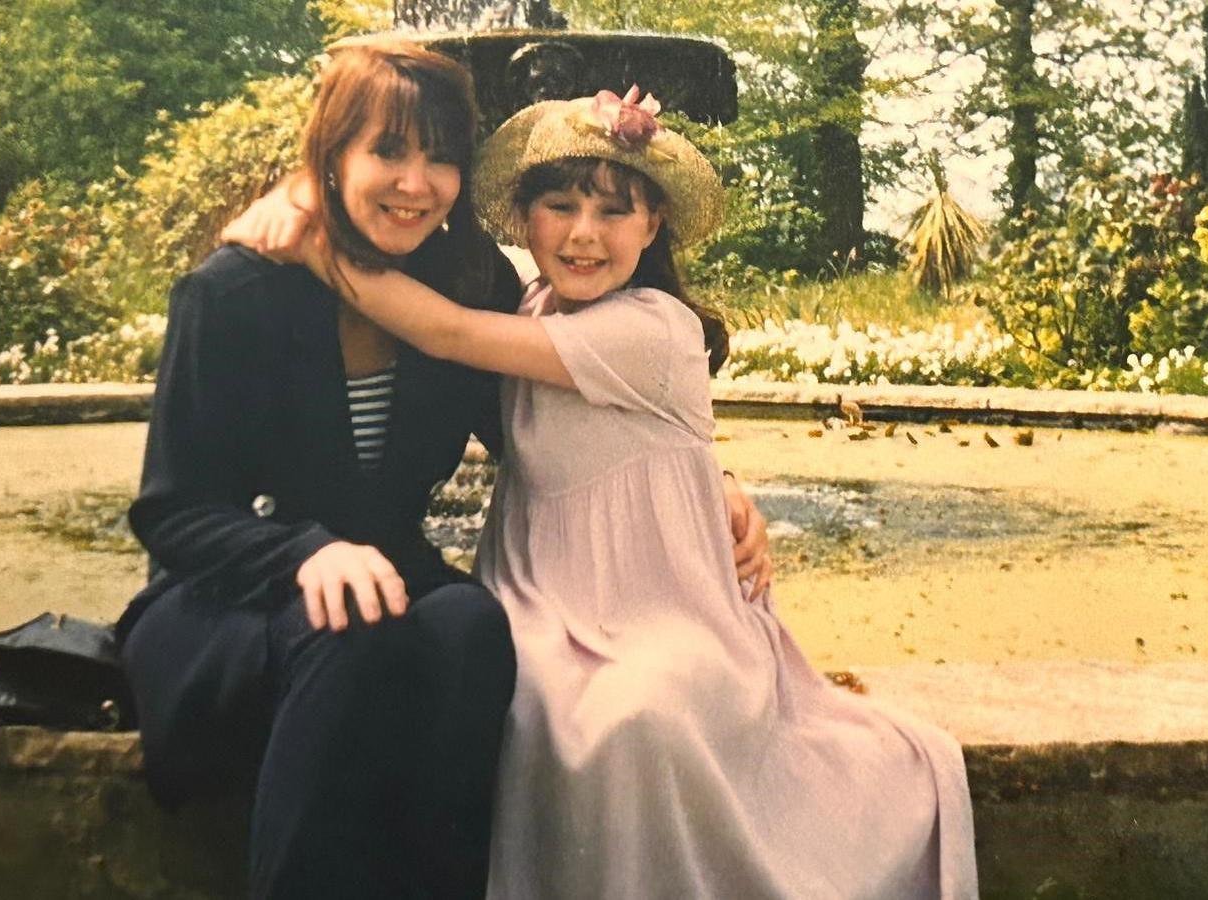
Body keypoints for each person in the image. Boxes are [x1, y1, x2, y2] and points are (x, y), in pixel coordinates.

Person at [287, 87, 981, 898]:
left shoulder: (652, 328)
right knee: (512, 691)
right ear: (524, 217)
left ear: (652, 227)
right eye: (560, 206)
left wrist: (312, 240)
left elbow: (443, 330)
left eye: (615, 212)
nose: (584, 233)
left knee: (632, 716)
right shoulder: (531, 304)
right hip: (542, 596)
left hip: (666, 605)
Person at [120, 43, 773, 900]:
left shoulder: (468, 282)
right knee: (354, 633)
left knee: (468, 625)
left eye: (440, 158)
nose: (415, 182)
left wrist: (710, 487)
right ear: (332, 156)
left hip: (387, 579)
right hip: (229, 597)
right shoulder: (236, 291)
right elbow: (173, 512)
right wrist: (303, 554)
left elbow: (543, 428)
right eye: (388, 151)